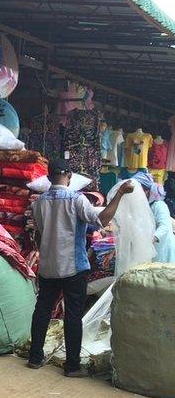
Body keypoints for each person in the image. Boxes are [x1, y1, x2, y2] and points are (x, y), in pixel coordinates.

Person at [28, 158, 134, 376]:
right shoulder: (77, 200)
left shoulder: (38, 203)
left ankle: (35, 357)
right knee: (73, 315)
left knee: (42, 311)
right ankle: (72, 366)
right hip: (73, 266)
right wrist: (120, 195)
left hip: (48, 266)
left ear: (49, 178)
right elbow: (101, 220)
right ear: (68, 177)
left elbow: (38, 235)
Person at [131, 171, 175, 263]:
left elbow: (164, 226)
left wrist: (149, 240)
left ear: (146, 191)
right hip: (153, 248)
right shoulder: (145, 206)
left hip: (163, 247)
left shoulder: (159, 205)